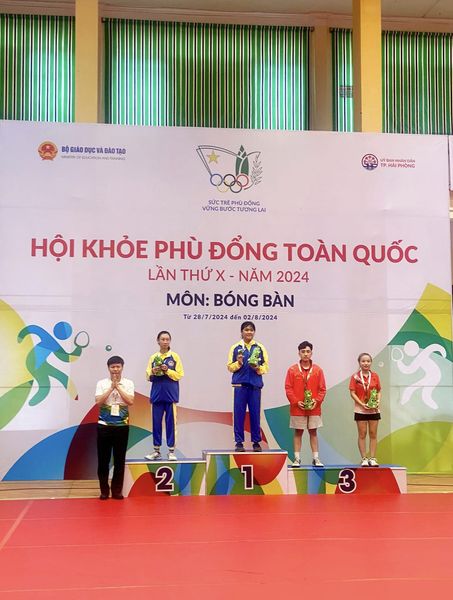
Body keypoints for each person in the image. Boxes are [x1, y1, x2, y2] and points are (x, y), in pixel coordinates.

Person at [95, 356, 134, 500]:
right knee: (103, 460)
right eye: (113, 367)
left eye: (118, 366)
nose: (115, 369)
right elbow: (98, 402)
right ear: (108, 368)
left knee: (119, 460)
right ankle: (104, 491)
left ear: (122, 367)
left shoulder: (128, 383)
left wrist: (118, 387)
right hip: (104, 426)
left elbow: (130, 401)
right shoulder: (101, 383)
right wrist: (111, 388)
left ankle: (117, 491)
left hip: (122, 426)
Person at [227, 321, 269, 452]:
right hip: (240, 386)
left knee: (255, 414)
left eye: (251, 330)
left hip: (255, 386)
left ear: (254, 332)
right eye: (246, 330)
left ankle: (256, 442)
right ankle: (239, 442)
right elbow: (229, 367)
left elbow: (266, 367)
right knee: (239, 415)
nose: (249, 332)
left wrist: (258, 368)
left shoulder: (260, 347)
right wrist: (238, 363)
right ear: (241, 332)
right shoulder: (235, 348)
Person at [285, 341, 326, 467]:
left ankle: (316, 458)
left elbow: (322, 389)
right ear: (299, 353)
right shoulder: (292, 370)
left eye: (308, 351)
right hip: (297, 408)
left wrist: (316, 401)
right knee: (298, 432)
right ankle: (297, 459)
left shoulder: (318, 370)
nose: (305, 354)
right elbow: (288, 388)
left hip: (314, 408)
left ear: (311, 353)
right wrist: (296, 402)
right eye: (303, 352)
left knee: (313, 432)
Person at [145, 331, 184, 461]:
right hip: (156, 395)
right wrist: (153, 371)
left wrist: (168, 370)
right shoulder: (153, 357)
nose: (165, 341)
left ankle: (171, 451)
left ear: (170, 341)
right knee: (156, 424)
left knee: (171, 424)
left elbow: (179, 375)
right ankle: (156, 450)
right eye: (163, 339)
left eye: (167, 339)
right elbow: (147, 376)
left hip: (170, 395)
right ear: (158, 341)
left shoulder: (175, 357)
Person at [349, 352, 381, 467]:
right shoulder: (355, 377)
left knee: (373, 434)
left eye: (368, 361)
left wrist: (378, 401)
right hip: (360, 410)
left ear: (371, 362)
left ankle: (372, 458)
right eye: (363, 361)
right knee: (362, 434)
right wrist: (361, 404)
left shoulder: (375, 376)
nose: (366, 363)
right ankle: (364, 458)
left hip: (373, 410)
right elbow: (352, 393)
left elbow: (378, 391)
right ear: (359, 363)